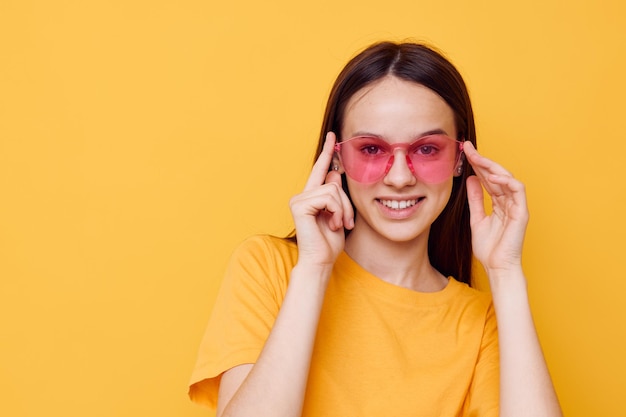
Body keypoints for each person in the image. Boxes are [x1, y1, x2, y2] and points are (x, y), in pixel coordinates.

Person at [188, 41, 563, 417]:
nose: (400, 178)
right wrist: (315, 271)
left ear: (460, 160)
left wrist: (506, 274)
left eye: (427, 149)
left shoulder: (483, 322)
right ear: (336, 157)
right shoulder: (269, 268)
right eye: (371, 149)